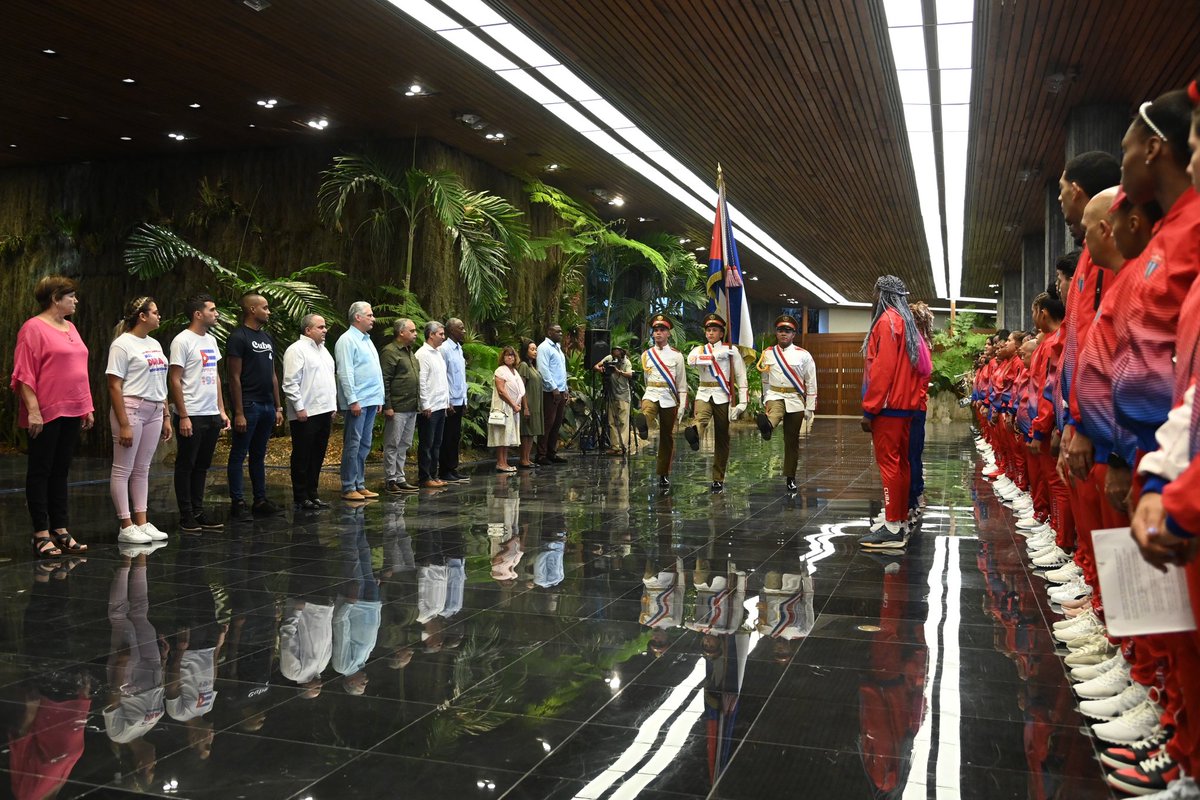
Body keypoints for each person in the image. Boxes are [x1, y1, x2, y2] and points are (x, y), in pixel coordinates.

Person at [12, 276, 95, 557]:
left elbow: (78, 369)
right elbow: (23, 374)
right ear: (55, 298)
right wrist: (33, 410)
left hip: (73, 408)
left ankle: (60, 528)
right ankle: (40, 532)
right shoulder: (32, 328)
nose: (76, 300)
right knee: (41, 470)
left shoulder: (70, 327)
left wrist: (87, 406)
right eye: (71, 296)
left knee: (61, 471)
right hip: (46, 410)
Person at [858, 276, 931, 549]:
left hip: (888, 407)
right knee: (901, 464)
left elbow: (882, 370)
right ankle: (897, 519)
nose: (872, 297)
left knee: (889, 465)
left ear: (884, 294)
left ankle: (892, 528)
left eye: (875, 292)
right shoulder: (907, 324)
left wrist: (870, 408)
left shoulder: (887, 322)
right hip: (905, 407)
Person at [106, 296, 172, 545]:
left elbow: (161, 381)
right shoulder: (122, 344)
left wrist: (166, 415)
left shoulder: (154, 343)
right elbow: (114, 384)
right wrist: (123, 423)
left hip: (155, 409)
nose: (159, 316)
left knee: (143, 468)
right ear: (142, 316)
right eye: (155, 312)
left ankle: (142, 522)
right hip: (132, 407)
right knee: (123, 468)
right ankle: (126, 524)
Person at [169, 294, 230, 533]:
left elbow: (214, 375)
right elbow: (174, 379)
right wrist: (182, 415)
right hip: (191, 412)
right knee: (186, 464)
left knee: (203, 465)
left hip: (210, 411)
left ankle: (198, 510)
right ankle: (186, 515)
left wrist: (222, 410)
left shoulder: (211, 341)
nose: (216, 314)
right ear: (198, 314)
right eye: (212, 310)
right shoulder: (182, 341)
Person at [225, 293, 285, 519]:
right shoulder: (238, 337)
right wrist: (238, 412)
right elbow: (234, 376)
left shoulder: (267, 338)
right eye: (265, 308)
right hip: (248, 404)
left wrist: (278, 406)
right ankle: (238, 501)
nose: (269, 312)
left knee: (259, 454)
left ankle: (260, 499)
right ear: (252, 309)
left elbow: (272, 375)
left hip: (267, 405)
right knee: (239, 453)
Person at [683, 312, 749, 492]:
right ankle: (695, 434)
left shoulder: (731, 351)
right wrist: (712, 357)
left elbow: (741, 376)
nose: (711, 333)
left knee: (722, 437)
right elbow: (690, 361)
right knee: (700, 419)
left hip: (723, 395)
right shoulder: (699, 350)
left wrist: (742, 403)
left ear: (722, 333)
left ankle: (718, 478)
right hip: (704, 392)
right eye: (708, 330)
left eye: (715, 330)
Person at [755, 314, 818, 493]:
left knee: (791, 441)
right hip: (775, 394)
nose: (784, 333)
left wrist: (810, 407)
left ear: (793, 334)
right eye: (781, 330)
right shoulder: (767, 353)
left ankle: (790, 477)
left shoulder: (804, 355)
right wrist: (765, 397)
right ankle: (767, 426)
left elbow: (811, 381)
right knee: (775, 411)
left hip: (795, 399)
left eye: (788, 331)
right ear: (776, 333)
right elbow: (765, 377)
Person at [281, 313, 337, 511]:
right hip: (305, 413)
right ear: (308, 330)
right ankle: (300, 495)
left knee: (317, 454)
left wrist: (332, 406)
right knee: (302, 455)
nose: (325, 330)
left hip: (323, 411)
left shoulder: (324, 351)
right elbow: (290, 382)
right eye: (320, 327)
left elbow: (329, 379)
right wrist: (299, 407)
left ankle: (313, 493)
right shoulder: (296, 350)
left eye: (325, 326)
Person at [335, 301, 384, 502]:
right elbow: (345, 372)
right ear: (358, 317)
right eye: (369, 315)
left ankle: (360, 483)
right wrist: (353, 400)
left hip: (371, 399)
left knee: (365, 444)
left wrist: (379, 398)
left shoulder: (367, 340)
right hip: (358, 401)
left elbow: (374, 370)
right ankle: (348, 486)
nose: (373, 319)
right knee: (353, 444)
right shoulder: (347, 340)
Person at [635, 314, 688, 489]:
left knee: (667, 436)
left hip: (669, 397)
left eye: (662, 330)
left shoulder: (677, 356)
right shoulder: (646, 354)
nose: (658, 333)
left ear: (668, 334)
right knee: (647, 410)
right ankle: (644, 426)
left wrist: (682, 405)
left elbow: (681, 382)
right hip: (651, 392)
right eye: (655, 330)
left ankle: (663, 473)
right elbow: (645, 378)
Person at [380, 318, 421, 494]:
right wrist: (388, 405)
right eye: (412, 331)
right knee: (392, 444)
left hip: (411, 405)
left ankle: (400, 476)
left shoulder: (410, 352)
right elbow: (385, 380)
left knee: (404, 443)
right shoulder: (390, 352)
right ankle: (390, 479)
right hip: (397, 406)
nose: (415, 334)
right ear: (401, 332)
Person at [907, 302, 934, 518]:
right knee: (914, 454)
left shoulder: (914, 344)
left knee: (909, 455)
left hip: (911, 405)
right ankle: (915, 496)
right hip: (918, 405)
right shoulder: (925, 343)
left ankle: (913, 497)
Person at [416, 321, 450, 488]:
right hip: (429, 407)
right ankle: (425, 476)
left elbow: (442, 380)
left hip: (440, 405)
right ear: (431, 335)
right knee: (427, 444)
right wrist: (425, 404)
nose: (443, 337)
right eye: (441, 334)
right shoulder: (423, 354)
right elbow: (422, 381)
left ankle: (434, 475)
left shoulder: (438, 354)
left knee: (437, 443)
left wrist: (446, 401)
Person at [438, 317, 470, 484]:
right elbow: (443, 376)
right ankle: (444, 470)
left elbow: (461, 377)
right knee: (447, 436)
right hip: (449, 401)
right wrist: (447, 400)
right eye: (461, 328)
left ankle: (452, 468)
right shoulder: (444, 349)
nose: (464, 331)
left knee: (455, 436)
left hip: (459, 399)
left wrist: (464, 400)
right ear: (451, 330)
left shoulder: (459, 349)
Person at [537, 323, 569, 465]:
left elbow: (561, 371)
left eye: (561, 332)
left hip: (561, 390)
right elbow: (543, 369)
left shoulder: (558, 349)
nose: (560, 334)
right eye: (557, 332)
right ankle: (541, 454)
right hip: (550, 392)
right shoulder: (544, 348)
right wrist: (553, 388)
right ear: (549, 332)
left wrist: (565, 388)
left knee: (557, 423)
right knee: (548, 422)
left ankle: (552, 452)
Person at [489, 346, 526, 472]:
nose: (510, 357)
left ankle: (505, 462)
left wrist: (518, 404)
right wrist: (513, 404)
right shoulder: (500, 370)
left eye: (512, 355)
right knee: (501, 435)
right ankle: (500, 462)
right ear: (503, 357)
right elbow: (501, 391)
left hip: (513, 407)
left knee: (507, 436)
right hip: (504, 407)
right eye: (507, 355)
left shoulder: (514, 371)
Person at [594, 344, 634, 456]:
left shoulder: (627, 362)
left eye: (617, 352)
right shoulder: (609, 359)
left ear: (622, 353)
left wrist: (618, 371)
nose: (615, 355)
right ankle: (615, 447)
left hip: (623, 395)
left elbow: (630, 374)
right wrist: (600, 369)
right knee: (612, 422)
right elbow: (596, 366)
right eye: (613, 352)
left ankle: (623, 447)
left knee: (622, 422)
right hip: (612, 394)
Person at [516, 339, 543, 469]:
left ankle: (528, 458)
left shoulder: (533, 366)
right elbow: (521, 388)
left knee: (532, 432)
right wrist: (525, 407)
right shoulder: (524, 366)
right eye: (532, 349)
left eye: (536, 349)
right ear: (525, 351)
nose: (535, 352)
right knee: (526, 432)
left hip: (536, 403)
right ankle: (523, 459)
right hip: (528, 404)